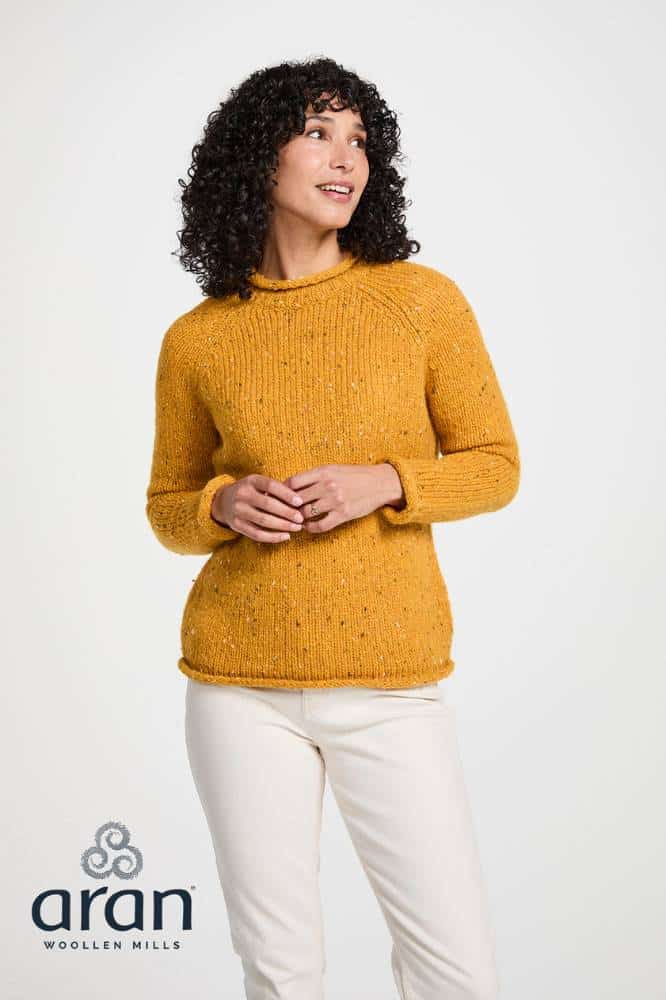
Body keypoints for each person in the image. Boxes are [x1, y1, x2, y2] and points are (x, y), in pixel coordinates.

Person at [145, 56, 520, 1000]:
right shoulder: (197, 337)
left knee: (456, 971)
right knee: (280, 972)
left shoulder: (421, 302)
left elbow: (495, 465)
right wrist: (218, 505)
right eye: (317, 132)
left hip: (389, 682)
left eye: (360, 140)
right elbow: (166, 505)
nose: (345, 157)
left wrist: (386, 482)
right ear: (256, 156)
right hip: (237, 685)